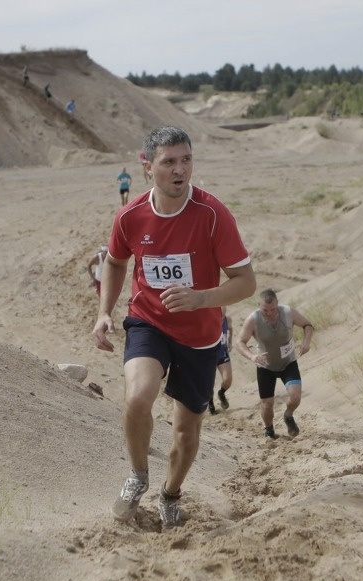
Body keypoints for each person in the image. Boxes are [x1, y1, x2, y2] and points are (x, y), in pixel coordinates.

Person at [91, 125, 255, 530]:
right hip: (149, 320)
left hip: (199, 337)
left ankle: (170, 493)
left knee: (185, 432)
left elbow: (246, 282)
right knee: (138, 396)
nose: (180, 170)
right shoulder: (130, 216)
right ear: (148, 167)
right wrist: (104, 311)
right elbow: (114, 262)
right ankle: (138, 476)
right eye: (169, 162)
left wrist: (201, 297)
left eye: (186, 160)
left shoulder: (212, 215)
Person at [235, 289, 314, 439]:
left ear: (277, 304)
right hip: (266, 366)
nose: (270, 313)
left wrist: (306, 342)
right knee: (267, 403)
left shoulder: (288, 312)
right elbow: (240, 342)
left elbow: (307, 325)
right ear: (259, 305)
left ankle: (288, 415)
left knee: (295, 396)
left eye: (273, 309)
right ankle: (269, 429)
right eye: (265, 310)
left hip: (288, 362)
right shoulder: (253, 319)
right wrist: (252, 356)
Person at [207, 307, 233, 415]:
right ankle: (210, 403)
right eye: (219, 315)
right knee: (209, 384)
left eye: (223, 315)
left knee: (228, 380)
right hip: (209, 355)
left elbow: (230, 328)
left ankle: (221, 393)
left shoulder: (228, 319)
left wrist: (230, 342)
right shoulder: (208, 320)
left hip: (222, 353)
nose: (221, 318)